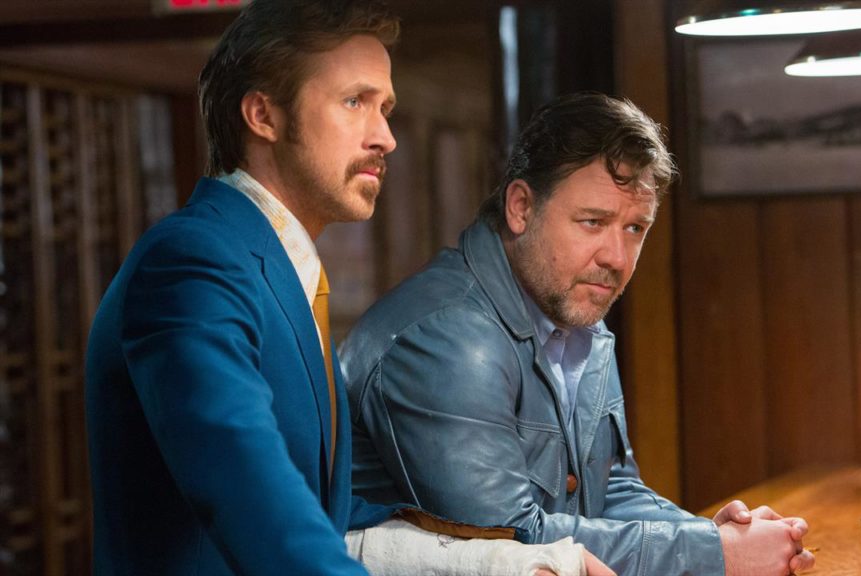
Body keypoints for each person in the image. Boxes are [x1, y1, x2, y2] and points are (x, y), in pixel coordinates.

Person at [85, 1, 609, 574]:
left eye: (386, 109)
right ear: (263, 115)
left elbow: (330, 519)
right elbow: (255, 503)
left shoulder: (286, 271)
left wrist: (517, 564)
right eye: (355, 101)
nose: (386, 137)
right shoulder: (192, 258)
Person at [340, 92, 817, 576]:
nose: (616, 257)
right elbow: (510, 543)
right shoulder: (449, 338)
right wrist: (713, 553)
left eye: (635, 228)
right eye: (593, 222)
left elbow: (610, 492)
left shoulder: (574, 312)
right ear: (521, 207)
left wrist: (713, 536)